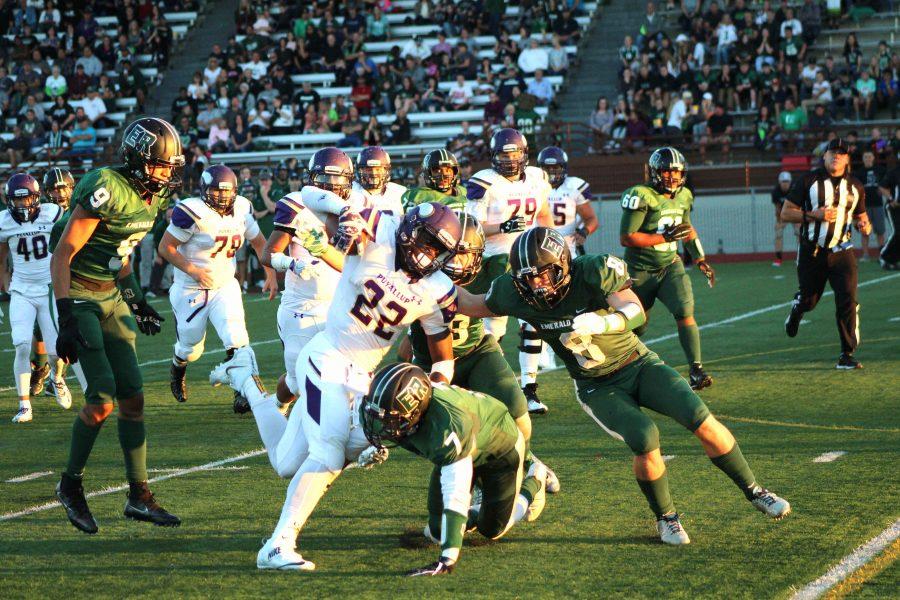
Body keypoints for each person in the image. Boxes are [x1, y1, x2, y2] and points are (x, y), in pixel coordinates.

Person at [455, 227, 791, 544]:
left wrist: (604, 321)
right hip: (596, 385)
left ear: (563, 265)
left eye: (545, 273)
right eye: (529, 277)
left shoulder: (593, 270)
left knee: (700, 418)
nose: (538, 284)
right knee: (646, 438)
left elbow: (635, 310)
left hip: (639, 364)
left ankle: (755, 490)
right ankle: (667, 517)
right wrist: (427, 281)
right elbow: (469, 304)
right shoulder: (511, 292)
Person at [209, 202, 463, 570]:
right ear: (409, 231)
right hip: (327, 354)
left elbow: (443, 357)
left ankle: (246, 380)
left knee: (287, 463)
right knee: (327, 452)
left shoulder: (437, 289)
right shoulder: (384, 234)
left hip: (362, 378)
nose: (428, 255)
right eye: (425, 242)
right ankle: (278, 545)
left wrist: (435, 387)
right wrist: (346, 221)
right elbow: (342, 213)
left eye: (438, 250)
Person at [50, 117, 184, 534]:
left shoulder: (151, 199)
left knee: (134, 398)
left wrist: (136, 300)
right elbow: (61, 255)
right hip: (80, 294)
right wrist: (67, 314)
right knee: (102, 398)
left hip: (111, 293)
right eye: (161, 165)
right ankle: (70, 485)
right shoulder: (106, 186)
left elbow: (121, 255)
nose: (167, 172)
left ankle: (139, 496)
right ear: (138, 159)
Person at [400, 150, 559, 491]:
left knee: (518, 414)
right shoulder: (417, 278)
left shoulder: (485, 267)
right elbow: (405, 332)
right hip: (433, 363)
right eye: (454, 252)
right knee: (457, 437)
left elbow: (486, 302)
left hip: (476, 350)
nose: (461, 261)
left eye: (469, 253)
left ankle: (529, 462)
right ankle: (475, 491)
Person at [359, 363, 548, 576]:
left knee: (493, 530)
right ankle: (475, 511)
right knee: (436, 532)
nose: (381, 424)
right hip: (464, 446)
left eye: (393, 419)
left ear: (416, 413)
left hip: (500, 452)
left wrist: (448, 558)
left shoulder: (447, 428)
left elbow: (455, 494)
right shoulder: (401, 412)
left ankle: (535, 479)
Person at [157, 164, 276, 406]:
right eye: (217, 191)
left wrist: (270, 273)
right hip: (190, 288)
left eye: (227, 191)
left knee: (237, 337)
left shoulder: (242, 208)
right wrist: (194, 271)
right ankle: (177, 367)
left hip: (224, 285)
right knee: (191, 348)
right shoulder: (192, 211)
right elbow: (165, 247)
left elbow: (259, 242)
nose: (223, 197)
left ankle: (243, 390)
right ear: (204, 190)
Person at [259, 148, 357, 414]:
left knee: (346, 379)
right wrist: (291, 263)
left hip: (340, 306)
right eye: (324, 179)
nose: (331, 186)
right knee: (295, 383)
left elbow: (349, 263)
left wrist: (325, 253)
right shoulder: (297, 204)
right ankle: (277, 405)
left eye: (337, 179)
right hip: (301, 306)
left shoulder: (355, 209)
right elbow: (269, 254)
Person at [619, 147, 715, 390]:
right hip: (640, 269)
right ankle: (618, 367)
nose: (672, 176)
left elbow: (686, 227)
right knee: (637, 325)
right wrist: (663, 238)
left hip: (670, 265)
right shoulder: (641, 195)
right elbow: (627, 237)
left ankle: (696, 370)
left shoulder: (684, 196)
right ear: (654, 172)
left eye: (676, 171)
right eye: (666, 171)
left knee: (684, 311)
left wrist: (700, 258)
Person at [518, 146, 599, 414]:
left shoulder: (574, 187)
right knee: (530, 319)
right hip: (532, 256)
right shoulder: (531, 186)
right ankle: (529, 387)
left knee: (577, 311)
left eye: (557, 168)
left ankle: (589, 364)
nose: (552, 173)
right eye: (548, 168)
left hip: (566, 255)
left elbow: (590, 218)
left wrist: (583, 231)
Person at [782, 138, 871, 369]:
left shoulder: (856, 187)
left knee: (848, 301)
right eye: (832, 152)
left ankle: (846, 354)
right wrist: (814, 215)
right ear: (824, 156)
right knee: (810, 300)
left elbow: (862, 217)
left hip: (843, 251)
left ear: (847, 158)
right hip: (813, 250)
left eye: (841, 153)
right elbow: (785, 213)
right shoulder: (808, 180)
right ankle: (798, 307)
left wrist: (865, 226)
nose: (836, 156)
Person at [465, 128, 554, 351]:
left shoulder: (537, 177)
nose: (510, 160)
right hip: (495, 258)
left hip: (529, 256)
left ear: (524, 153)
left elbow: (543, 213)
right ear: (494, 156)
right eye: (505, 155)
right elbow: (471, 229)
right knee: (496, 321)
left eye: (515, 154)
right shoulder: (485, 182)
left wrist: (552, 241)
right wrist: (503, 226)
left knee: (535, 318)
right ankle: (483, 359)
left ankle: (529, 382)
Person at [0, 174, 72, 423]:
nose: (22, 206)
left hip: (50, 287)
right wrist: (4, 279)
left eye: (26, 199)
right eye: (17, 201)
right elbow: (0, 257)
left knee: (56, 351)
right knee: (21, 344)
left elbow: (69, 242)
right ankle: (24, 405)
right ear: (9, 201)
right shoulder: (4, 221)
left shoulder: (53, 213)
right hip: (21, 289)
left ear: (36, 197)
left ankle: (57, 379)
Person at [349, 146, 406, 215]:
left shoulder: (400, 192)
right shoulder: (349, 192)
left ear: (386, 170)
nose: (374, 173)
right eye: (368, 169)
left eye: (378, 169)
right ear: (359, 170)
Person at [858, 151, 886, 261]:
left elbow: (887, 183)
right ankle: (865, 255)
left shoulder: (881, 170)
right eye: (865, 157)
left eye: (870, 156)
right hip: (864, 207)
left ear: (873, 157)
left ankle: (882, 254)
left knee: (880, 231)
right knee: (865, 232)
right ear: (863, 159)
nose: (868, 158)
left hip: (878, 204)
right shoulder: (859, 172)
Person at [772, 171, 799, 267]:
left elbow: (798, 205)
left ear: (790, 182)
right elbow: (777, 207)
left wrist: (798, 218)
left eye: (787, 181)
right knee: (778, 233)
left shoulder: (794, 190)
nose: (785, 184)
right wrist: (779, 220)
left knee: (800, 234)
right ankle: (778, 259)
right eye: (783, 181)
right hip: (783, 214)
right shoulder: (776, 192)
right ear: (780, 182)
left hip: (794, 212)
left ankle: (799, 258)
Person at [879, 164, 900, 270]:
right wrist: (891, 199)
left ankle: (893, 260)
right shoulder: (894, 171)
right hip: (894, 208)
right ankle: (883, 256)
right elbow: (882, 187)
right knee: (897, 232)